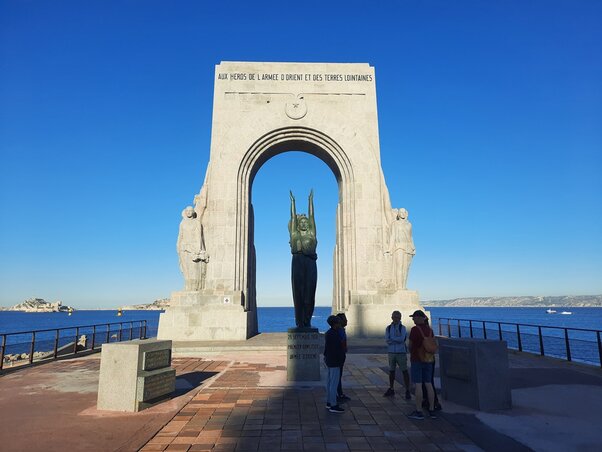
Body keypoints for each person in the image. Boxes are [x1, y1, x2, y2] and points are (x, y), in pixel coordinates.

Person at [289, 190, 317, 328]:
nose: (305, 223)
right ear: (298, 226)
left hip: (311, 263)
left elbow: (312, 216)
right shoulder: (294, 233)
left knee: (309, 295)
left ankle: (307, 320)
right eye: (302, 222)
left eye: (306, 222)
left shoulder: (312, 233)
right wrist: (293, 202)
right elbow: (293, 218)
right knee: (298, 294)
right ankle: (299, 322)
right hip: (297, 262)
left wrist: (310, 201)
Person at [407, 310, 437, 420]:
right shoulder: (430, 330)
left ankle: (419, 411)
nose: (413, 319)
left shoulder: (415, 330)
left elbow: (410, 345)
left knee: (418, 385)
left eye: (414, 317)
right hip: (429, 359)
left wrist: (411, 352)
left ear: (420, 318)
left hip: (417, 359)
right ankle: (432, 409)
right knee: (428, 384)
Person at [383, 310, 411, 400]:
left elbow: (402, 339)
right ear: (392, 317)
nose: (395, 319)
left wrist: (393, 339)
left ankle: (407, 390)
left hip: (401, 352)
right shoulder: (388, 328)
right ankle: (391, 388)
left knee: (404, 371)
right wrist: (396, 339)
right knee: (391, 371)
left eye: (397, 317)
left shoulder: (402, 328)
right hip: (391, 352)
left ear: (400, 318)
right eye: (394, 317)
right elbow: (387, 340)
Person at [177, 206, 204, 290]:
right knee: (185, 269)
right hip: (183, 248)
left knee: (193, 269)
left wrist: (197, 249)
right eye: (187, 211)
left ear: (193, 212)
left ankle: (194, 287)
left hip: (193, 248)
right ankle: (187, 286)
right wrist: (178, 245)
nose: (188, 212)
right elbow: (180, 235)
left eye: (190, 211)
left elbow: (198, 236)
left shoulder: (196, 222)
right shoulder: (182, 223)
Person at [388, 208, 415, 290]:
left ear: (406, 213)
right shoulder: (395, 224)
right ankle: (399, 287)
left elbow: (410, 237)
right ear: (398, 214)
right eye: (401, 212)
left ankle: (403, 286)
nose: (402, 213)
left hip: (408, 247)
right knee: (399, 266)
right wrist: (390, 249)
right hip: (398, 246)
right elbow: (392, 236)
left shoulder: (409, 224)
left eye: (404, 212)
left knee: (406, 268)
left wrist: (413, 247)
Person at [324, 315, 345, 413]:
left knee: (329, 382)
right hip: (334, 361)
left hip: (330, 360)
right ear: (335, 324)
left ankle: (329, 402)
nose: (340, 324)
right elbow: (336, 349)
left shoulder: (329, 333)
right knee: (333, 383)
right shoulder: (334, 334)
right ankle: (333, 404)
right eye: (338, 323)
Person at [421, 318, 442, 411]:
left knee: (425, 381)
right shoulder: (431, 331)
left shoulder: (418, 331)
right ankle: (433, 402)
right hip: (430, 358)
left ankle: (431, 402)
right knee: (429, 381)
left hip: (422, 358)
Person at [336, 313, 350, 402]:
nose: (347, 320)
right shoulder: (339, 331)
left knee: (338, 375)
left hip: (341, 355)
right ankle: (339, 394)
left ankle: (339, 393)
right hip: (339, 356)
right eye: (345, 319)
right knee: (337, 375)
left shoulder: (341, 330)